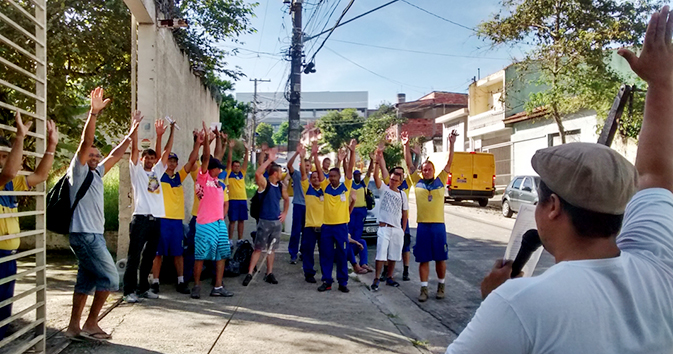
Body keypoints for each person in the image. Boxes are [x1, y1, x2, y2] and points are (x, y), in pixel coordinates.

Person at [446, 7, 673, 352]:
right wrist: (662, 82)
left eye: (538, 199)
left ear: (552, 206)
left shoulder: (519, 305)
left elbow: (654, 174)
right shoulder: (658, 265)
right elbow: (656, 173)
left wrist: (494, 299)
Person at [64, 89, 139, 341]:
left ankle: (74, 327)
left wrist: (132, 131)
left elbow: (116, 154)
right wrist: (93, 113)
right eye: (92, 155)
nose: (95, 157)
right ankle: (91, 322)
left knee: (85, 282)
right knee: (109, 277)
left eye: (97, 155)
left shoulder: (96, 174)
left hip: (92, 235)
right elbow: (86, 142)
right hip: (85, 235)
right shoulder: (79, 171)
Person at [0, 113, 57, 340]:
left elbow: (41, 175)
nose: (3, 159)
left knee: (4, 307)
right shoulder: (6, 177)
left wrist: (51, 145)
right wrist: (20, 138)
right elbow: (9, 172)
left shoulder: (12, 183)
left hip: (9, 255)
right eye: (0, 155)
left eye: (5, 156)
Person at [124, 114, 173, 303]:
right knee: (134, 256)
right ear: (142, 158)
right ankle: (129, 291)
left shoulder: (157, 173)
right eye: (148, 157)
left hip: (156, 219)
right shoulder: (136, 171)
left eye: (153, 158)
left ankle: (143, 288)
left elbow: (165, 154)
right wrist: (134, 128)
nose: (151, 160)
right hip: (141, 218)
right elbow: (134, 150)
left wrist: (162, 135)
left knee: (149, 257)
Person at [406, 130, 457, 302]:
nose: (426, 171)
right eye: (424, 169)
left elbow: (450, 161)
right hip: (423, 227)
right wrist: (406, 146)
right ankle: (424, 289)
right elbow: (409, 165)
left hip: (438, 226)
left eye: (429, 169)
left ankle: (441, 286)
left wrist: (451, 143)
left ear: (434, 171)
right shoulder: (417, 181)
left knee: (441, 259)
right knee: (424, 260)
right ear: (421, 171)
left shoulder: (441, 180)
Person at [150, 125, 199, 295]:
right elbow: (159, 155)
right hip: (161, 219)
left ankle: (180, 281)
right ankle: (155, 282)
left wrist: (197, 144)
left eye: (173, 161)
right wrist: (162, 135)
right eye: (169, 160)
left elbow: (192, 162)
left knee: (178, 253)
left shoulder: (179, 177)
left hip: (176, 221)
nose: (170, 163)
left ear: (177, 163)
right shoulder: (159, 175)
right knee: (158, 253)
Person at [191, 122, 233, 299]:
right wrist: (207, 139)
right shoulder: (203, 178)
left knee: (221, 255)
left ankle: (217, 286)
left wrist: (219, 139)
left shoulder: (217, 183)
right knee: (200, 256)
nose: (220, 169)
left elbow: (217, 156)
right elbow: (208, 156)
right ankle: (197, 286)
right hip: (205, 223)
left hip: (218, 223)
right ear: (211, 169)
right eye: (218, 168)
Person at [242, 147, 289, 286]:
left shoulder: (281, 186)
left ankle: (269, 273)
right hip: (264, 221)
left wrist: (285, 212)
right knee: (258, 248)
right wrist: (269, 160)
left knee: (271, 249)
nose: (281, 174)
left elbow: (287, 200)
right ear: (275, 173)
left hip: (276, 221)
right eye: (280, 171)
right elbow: (258, 173)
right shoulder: (265, 184)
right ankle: (250, 273)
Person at [314, 139, 356, 293]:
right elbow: (318, 170)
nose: (331, 178)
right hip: (326, 227)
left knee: (341, 255)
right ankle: (327, 281)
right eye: (330, 176)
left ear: (339, 177)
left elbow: (350, 168)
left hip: (341, 227)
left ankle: (343, 282)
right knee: (325, 255)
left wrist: (352, 151)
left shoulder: (346, 186)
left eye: (334, 176)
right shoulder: (325, 186)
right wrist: (314, 154)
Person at [370, 147, 409, 291]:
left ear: (400, 182)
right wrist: (377, 162)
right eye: (391, 179)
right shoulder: (384, 190)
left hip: (396, 229)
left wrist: (402, 230)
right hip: (384, 228)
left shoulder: (402, 195)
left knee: (393, 255)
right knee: (381, 254)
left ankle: (390, 277)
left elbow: (405, 214)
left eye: (395, 180)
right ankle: (376, 278)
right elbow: (377, 177)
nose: (392, 182)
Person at [298, 144, 323, 283]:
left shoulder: (326, 190)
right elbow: (303, 174)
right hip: (309, 227)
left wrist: (316, 156)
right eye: (312, 177)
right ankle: (309, 273)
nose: (315, 178)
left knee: (325, 253)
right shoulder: (308, 189)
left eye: (317, 176)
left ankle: (325, 274)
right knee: (308, 252)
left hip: (324, 227)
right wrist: (302, 157)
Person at [347, 159, 375, 275]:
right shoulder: (350, 184)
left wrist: (372, 160)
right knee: (349, 232)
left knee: (358, 234)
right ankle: (352, 257)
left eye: (359, 175)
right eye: (356, 175)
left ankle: (362, 262)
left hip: (362, 211)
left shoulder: (364, 183)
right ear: (353, 176)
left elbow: (369, 172)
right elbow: (346, 170)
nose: (358, 176)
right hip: (351, 211)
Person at [286, 149, 309, 264]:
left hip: (309, 208)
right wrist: (297, 154)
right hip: (299, 205)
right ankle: (293, 254)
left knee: (307, 232)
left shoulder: (312, 177)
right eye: (305, 165)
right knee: (296, 231)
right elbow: (289, 165)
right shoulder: (296, 175)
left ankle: (303, 253)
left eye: (309, 165)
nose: (307, 167)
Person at [226, 139, 249, 241]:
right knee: (232, 221)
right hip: (232, 200)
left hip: (242, 199)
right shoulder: (229, 173)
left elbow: (245, 162)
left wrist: (247, 150)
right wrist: (230, 148)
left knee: (241, 220)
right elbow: (229, 161)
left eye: (238, 166)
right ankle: (230, 240)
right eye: (235, 166)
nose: (237, 168)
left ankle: (240, 239)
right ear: (232, 167)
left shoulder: (241, 174)